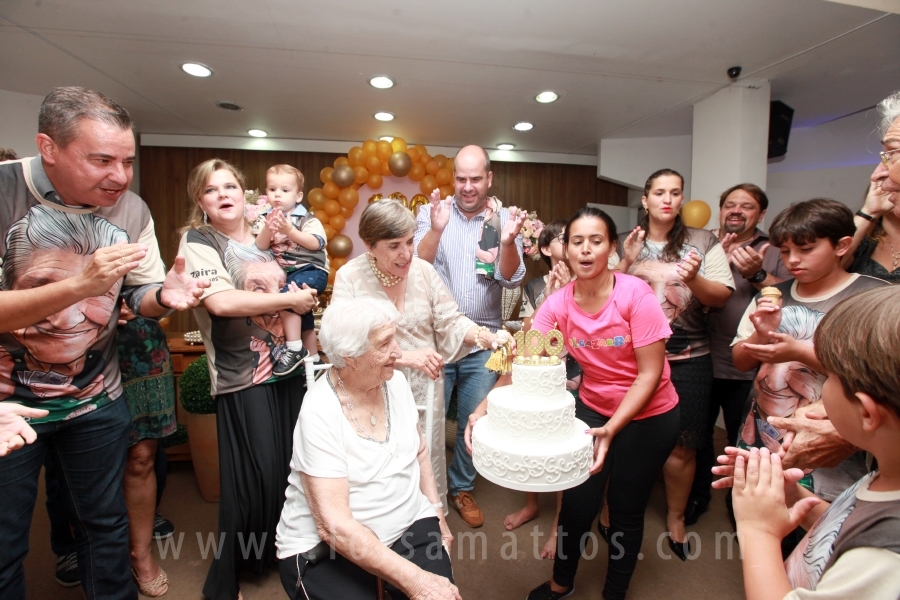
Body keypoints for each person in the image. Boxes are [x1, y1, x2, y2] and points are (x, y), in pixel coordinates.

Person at [0, 87, 207, 600]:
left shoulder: (131, 210)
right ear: (49, 148)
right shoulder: (3, 194)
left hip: (97, 400)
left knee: (106, 529)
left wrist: (163, 295)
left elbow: (137, 296)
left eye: (128, 161)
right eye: (102, 160)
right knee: (5, 546)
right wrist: (77, 286)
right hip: (6, 409)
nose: (119, 176)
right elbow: (87, 289)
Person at [467, 207, 680, 600]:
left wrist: (613, 429)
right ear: (564, 249)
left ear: (611, 247)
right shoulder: (559, 303)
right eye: (576, 242)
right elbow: (524, 361)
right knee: (578, 503)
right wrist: (482, 409)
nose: (585, 250)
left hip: (650, 414)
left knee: (625, 508)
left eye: (596, 241)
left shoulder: (635, 295)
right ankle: (560, 583)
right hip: (593, 409)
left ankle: (615, 592)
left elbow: (649, 374)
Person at [178, 158, 318, 600]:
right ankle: (228, 576)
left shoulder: (267, 235)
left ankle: (280, 555)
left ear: (244, 192)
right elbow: (220, 304)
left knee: (287, 470)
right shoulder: (198, 239)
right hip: (243, 375)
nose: (223, 194)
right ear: (200, 201)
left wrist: (300, 306)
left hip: (287, 369)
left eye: (230, 186)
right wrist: (292, 300)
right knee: (251, 479)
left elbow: (309, 258)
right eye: (210, 189)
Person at [712, 286, 900, 600]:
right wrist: (793, 496)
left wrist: (760, 530)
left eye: (830, 376)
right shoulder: (886, 478)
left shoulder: (885, 555)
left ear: (867, 412)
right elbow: (847, 527)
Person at [275, 298, 460, 600]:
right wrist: (417, 582)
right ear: (350, 356)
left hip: (408, 521)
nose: (399, 353)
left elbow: (419, 452)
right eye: (385, 343)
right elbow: (334, 527)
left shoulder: (396, 382)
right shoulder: (320, 411)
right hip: (331, 546)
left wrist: (438, 514)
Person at [331, 199, 509, 508]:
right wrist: (406, 358)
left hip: (424, 387)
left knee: (425, 456)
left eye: (410, 241)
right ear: (369, 245)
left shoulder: (424, 272)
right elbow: (343, 341)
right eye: (394, 246)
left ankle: (430, 520)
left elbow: (450, 321)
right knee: (381, 464)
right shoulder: (351, 278)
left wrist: (484, 336)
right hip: (373, 390)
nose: (406, 253)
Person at [732, 199, 887, 505]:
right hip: (761, 432)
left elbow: (879, 379)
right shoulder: (773, 295)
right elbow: (740, 361)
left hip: (831, 446)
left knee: (815, 528)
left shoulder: (873, 298)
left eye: (806, 249)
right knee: (756, 522)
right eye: (786, 251)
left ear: (842, 245)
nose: (793, 260)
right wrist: (762, 336)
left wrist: (800, 352)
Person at [612, 168, 734, 558]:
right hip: (630, 360)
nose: (667, 199)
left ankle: (676, 517)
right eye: (659, 192)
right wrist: (625, 263)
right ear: (644, 200)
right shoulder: (622, 241)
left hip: (689, 358)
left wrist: (695, 278)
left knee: (684, 446)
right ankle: (612, 509)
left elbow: (720, 297)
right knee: (622, 439)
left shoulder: (703, 240)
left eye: (675, 193)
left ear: (682, 200)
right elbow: (598, 293)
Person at [414, 144, 526, 527]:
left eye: (475, 178)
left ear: (489, 178)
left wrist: (507, 242)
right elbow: (415, 267)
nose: (467, 186)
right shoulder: (433, 213)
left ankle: (460, 488)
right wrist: (435, 228)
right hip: (437, 338)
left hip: (487, 340)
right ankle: (426, 495)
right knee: (427, 420)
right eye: (460, 178)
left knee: (474, 421)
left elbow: (511, 276)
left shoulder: (505, 218)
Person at [47, 300, 177, 594]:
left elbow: (159, 290)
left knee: (142, 457)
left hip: (137, 344)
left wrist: (136, 302)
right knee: (73, 461)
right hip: (69, 342)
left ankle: (139, 555)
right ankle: (73, 545)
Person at [685, 183, 790, 526]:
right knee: (697, 436)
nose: (736, 210)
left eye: (746, 206)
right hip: (701, 356)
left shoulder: (772, 250)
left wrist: (756, 274)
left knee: (741, 441)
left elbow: (790, 296)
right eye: (730, 204)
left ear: (760, 214)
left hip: (746, 365)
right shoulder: (706, 245)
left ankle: (739, 507)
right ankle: (697, 497)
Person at [504, 219, 583, 560]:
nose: (571, 243)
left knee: (566, 447)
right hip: (541, 371)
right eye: (564, 238)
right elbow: (527, 335)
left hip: (578, 372)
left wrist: (569, 295)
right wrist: (549, 298)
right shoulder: (535, 285)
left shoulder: (589, 282)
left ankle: (557, 529)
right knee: (534, 441)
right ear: (547, 248)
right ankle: (532, 505)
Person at [255, 164, 329, 374]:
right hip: (289, 273)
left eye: (285, 190)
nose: (277, 195)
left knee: (287, 299)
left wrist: (289, 230)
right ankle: (313, 360)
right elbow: (259, 247)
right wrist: (269, 228)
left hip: (312, 269)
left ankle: (295, 349)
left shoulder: (306, 219)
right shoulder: (265, 219)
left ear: (298, 196)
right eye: (272, 189)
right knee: (300, 310)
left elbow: (316, 243)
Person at [845, 91, 900, 284]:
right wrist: (869, 212)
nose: (877, 175)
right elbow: (825, 270)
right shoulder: (864, 242)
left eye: (892, 153)